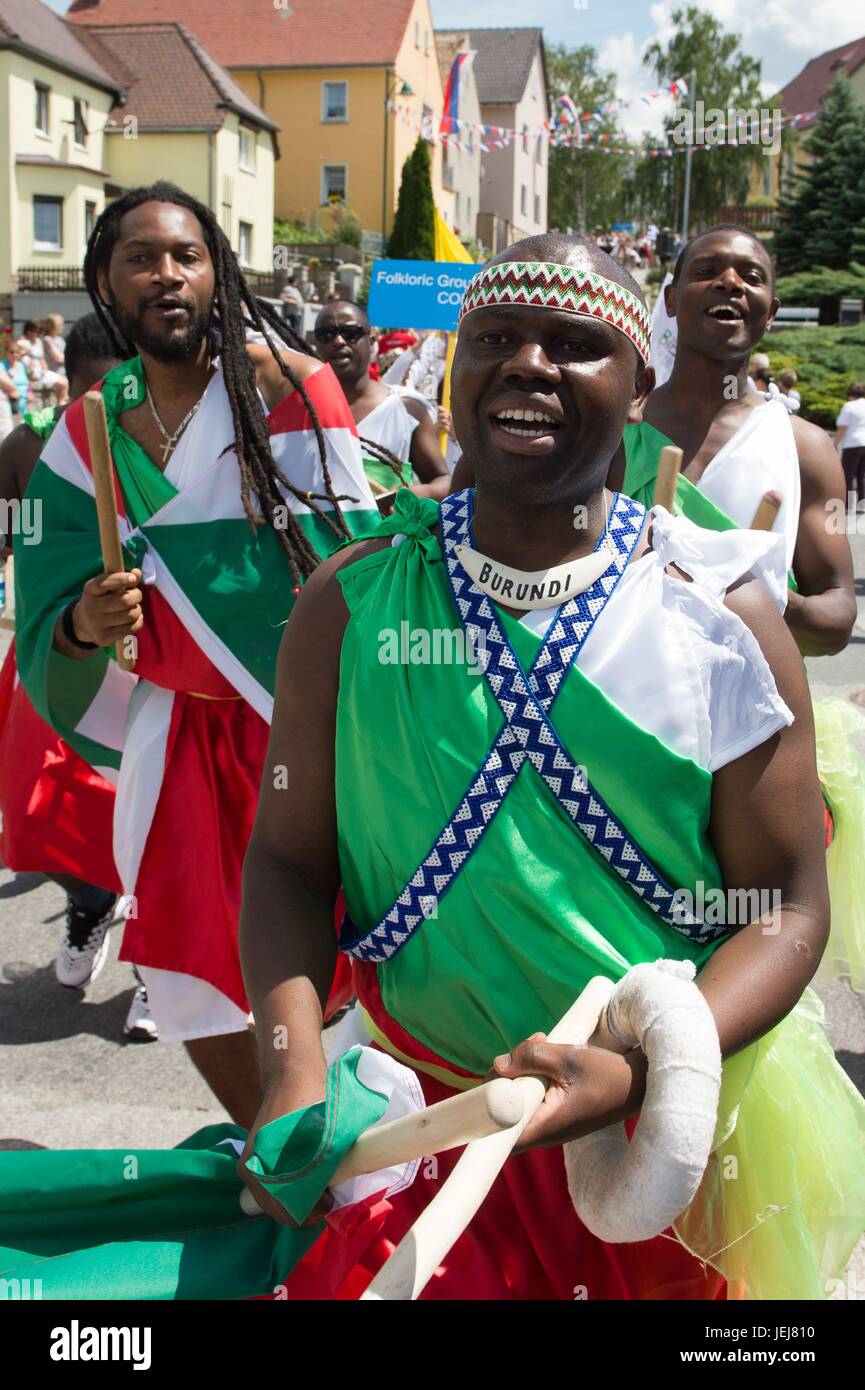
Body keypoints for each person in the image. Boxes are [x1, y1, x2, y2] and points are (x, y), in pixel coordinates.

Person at [238, 234, 865, 1300]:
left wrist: (639, 1069)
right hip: (409, 1130)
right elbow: (288, 864)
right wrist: (294, 1067)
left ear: (639, 389)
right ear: (455, 366)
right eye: (494, 338)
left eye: (576, 344)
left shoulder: (722, 618)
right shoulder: (347, 604)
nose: (528, 363)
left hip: (652, 1154)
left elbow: (785, 906)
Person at [15, 182, 377, 1127]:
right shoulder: (91, 424)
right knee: (181, 966)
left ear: (218, 273)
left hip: (294, 730)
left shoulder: (289, 387)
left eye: (187, 254)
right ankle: (276, 1144)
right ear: (106, 280)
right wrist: (82, 626)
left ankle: (338, 1160)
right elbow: (46, 591)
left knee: (328, 962)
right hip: (172, 743)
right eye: (141, 257)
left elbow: (353, 572)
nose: (166, 274)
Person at [614, 222, 865, 991]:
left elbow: (834, 619)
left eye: (749, 276)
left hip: (742, 751)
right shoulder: (607, 427)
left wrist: (748, 593)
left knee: (729, 957)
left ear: (769, 307)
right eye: (708, 271)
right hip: (607, 728)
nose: (730, 284)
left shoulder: (803, 449)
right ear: (669, 296)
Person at [0, 316, 157, 1036]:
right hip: (49, 662)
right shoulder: (27, 446)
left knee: (160, 817)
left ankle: (162, 959)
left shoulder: (160, 447)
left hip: (148, 666)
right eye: (89, 388)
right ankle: (91, 906)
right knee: (43, 814)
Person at [313, 300, 450, 500]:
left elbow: (444, 481)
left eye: (350, 332)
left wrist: (415, 494)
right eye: (326, 334)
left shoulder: (408, 409)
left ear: (372, 340)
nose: (338, 341)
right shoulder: (295, 408)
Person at [17, 319, 68, 405]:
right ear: (28, 331)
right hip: (27, 371)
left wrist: (46, 370)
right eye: (33, 331)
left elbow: (42, 359)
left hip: (40, 371)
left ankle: (61, 405)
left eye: (37, 332)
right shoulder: (22, 341)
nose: (35, 334)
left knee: (64, 382)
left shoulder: (39, 341)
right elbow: (18, 357)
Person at [835, 381, 865, 510]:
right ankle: (861, 505)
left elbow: (842, 428)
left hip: (852, 443)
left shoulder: (849, 406)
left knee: (848, 475)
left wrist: (834, 444)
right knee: (862, 476)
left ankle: (847, 505)